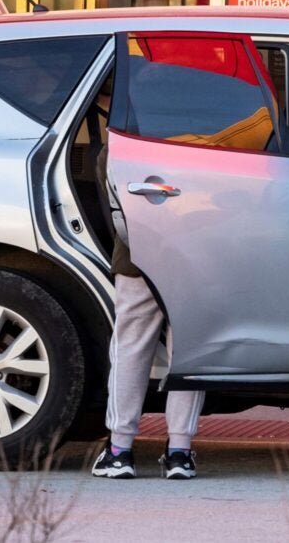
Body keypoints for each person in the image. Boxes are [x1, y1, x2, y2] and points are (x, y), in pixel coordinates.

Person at [91, 79, 203, 480]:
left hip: (136, 258)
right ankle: (179, 452)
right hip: (192, 258)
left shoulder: (122, 146)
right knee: (188, 352)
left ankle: (119, 450)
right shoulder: (202, 147)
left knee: (130, 348)